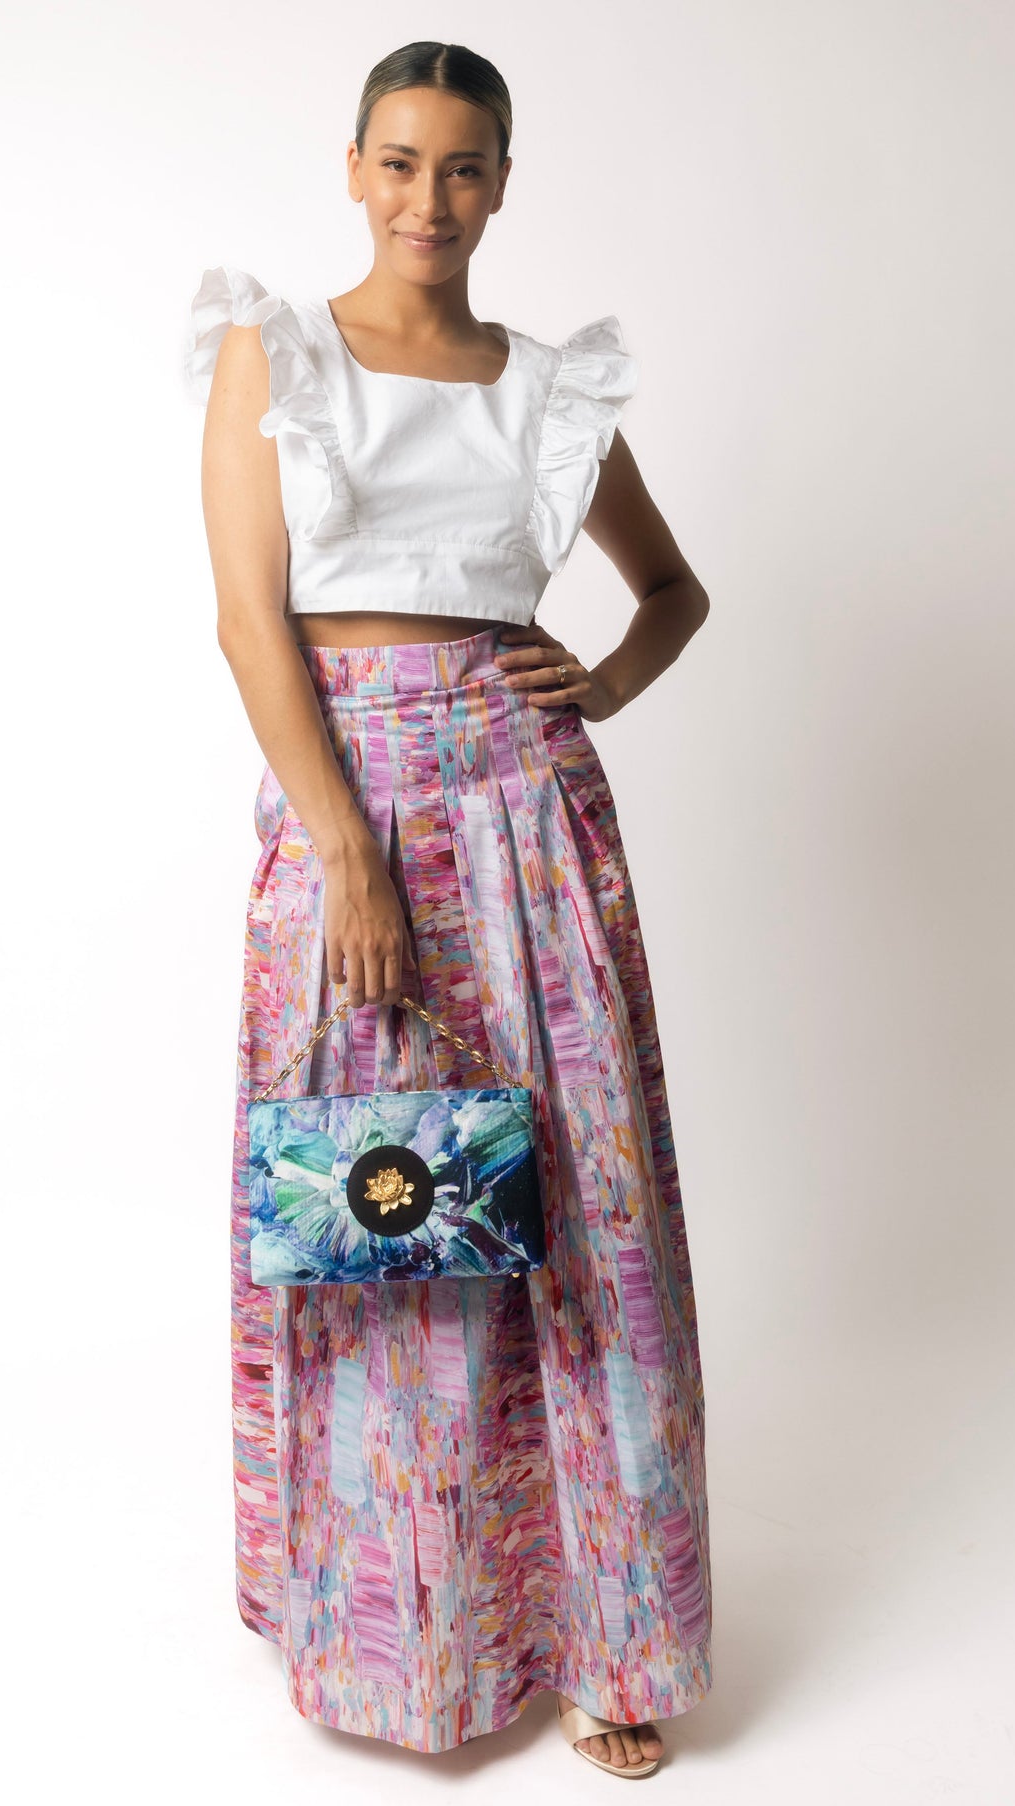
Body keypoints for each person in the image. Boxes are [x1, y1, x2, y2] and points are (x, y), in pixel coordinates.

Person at [184, 39, 713, 1780]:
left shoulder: (549, 389)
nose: (430, 197)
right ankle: (380, 1629)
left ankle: (605, 1637)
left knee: (572, 1212)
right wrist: (343, 846)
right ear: (353, 169)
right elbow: (255, 625)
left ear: (500, 182)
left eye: (463, 167)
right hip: (350, 811)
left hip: (528, 817)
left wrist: (603, 686)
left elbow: (672, 593)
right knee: (375, 1211)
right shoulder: (281, 350)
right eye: (399, 163)